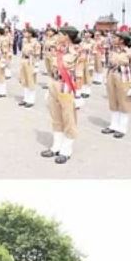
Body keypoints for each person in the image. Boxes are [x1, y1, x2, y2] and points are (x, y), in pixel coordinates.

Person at [40, 25, 81, 164]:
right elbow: (52, 70)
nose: (57, 36)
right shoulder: (58, 51)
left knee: (68, 119)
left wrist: (79, 95)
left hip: (67, 88)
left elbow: (80, 75)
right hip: (55, 85)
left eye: (60, 34)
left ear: (67, 36)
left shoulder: (77, 52)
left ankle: (66, 150)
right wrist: (49, 88)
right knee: (56, 117)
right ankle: (56, 147)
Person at [101, 30, 131, 139]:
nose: (113, 40)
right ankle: (113, 125)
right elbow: (109, 65)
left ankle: (122, 128)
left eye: (115, 38)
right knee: (113, 102)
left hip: (124, 78)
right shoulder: (113, 51)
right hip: (112, 77)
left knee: (124, 104)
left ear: (122, 40)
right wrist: (105, 77)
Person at [19, 28, 40, 107]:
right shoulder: (25, 42)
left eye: (26, 32)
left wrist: (36, 66)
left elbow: (37, 55)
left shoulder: (35, 43)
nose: (24, 33)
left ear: (31, 33)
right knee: (24, 80)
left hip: (31, 62)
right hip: (24, 60)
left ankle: (31, 100)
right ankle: (25, 99)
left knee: (30, 81)